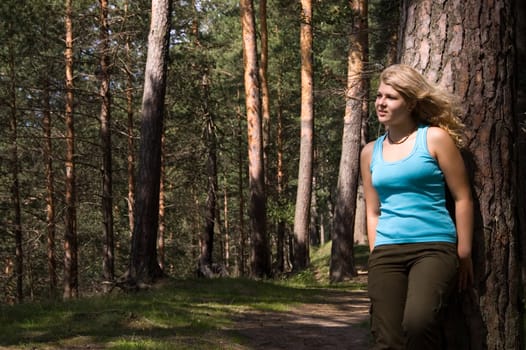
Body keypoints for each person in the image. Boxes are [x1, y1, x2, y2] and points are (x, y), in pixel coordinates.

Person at [360, 64, 474, 349]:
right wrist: (376, 253)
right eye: (379, 96)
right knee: (387, 337)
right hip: (387, 251)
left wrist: (464, 252)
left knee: (418, 323)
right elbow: (373, 211)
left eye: (391, 97)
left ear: (410, 103)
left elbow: (462, 197)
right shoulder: (369, 152)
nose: (381, 103)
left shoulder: (434, 138)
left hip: (433, 247)